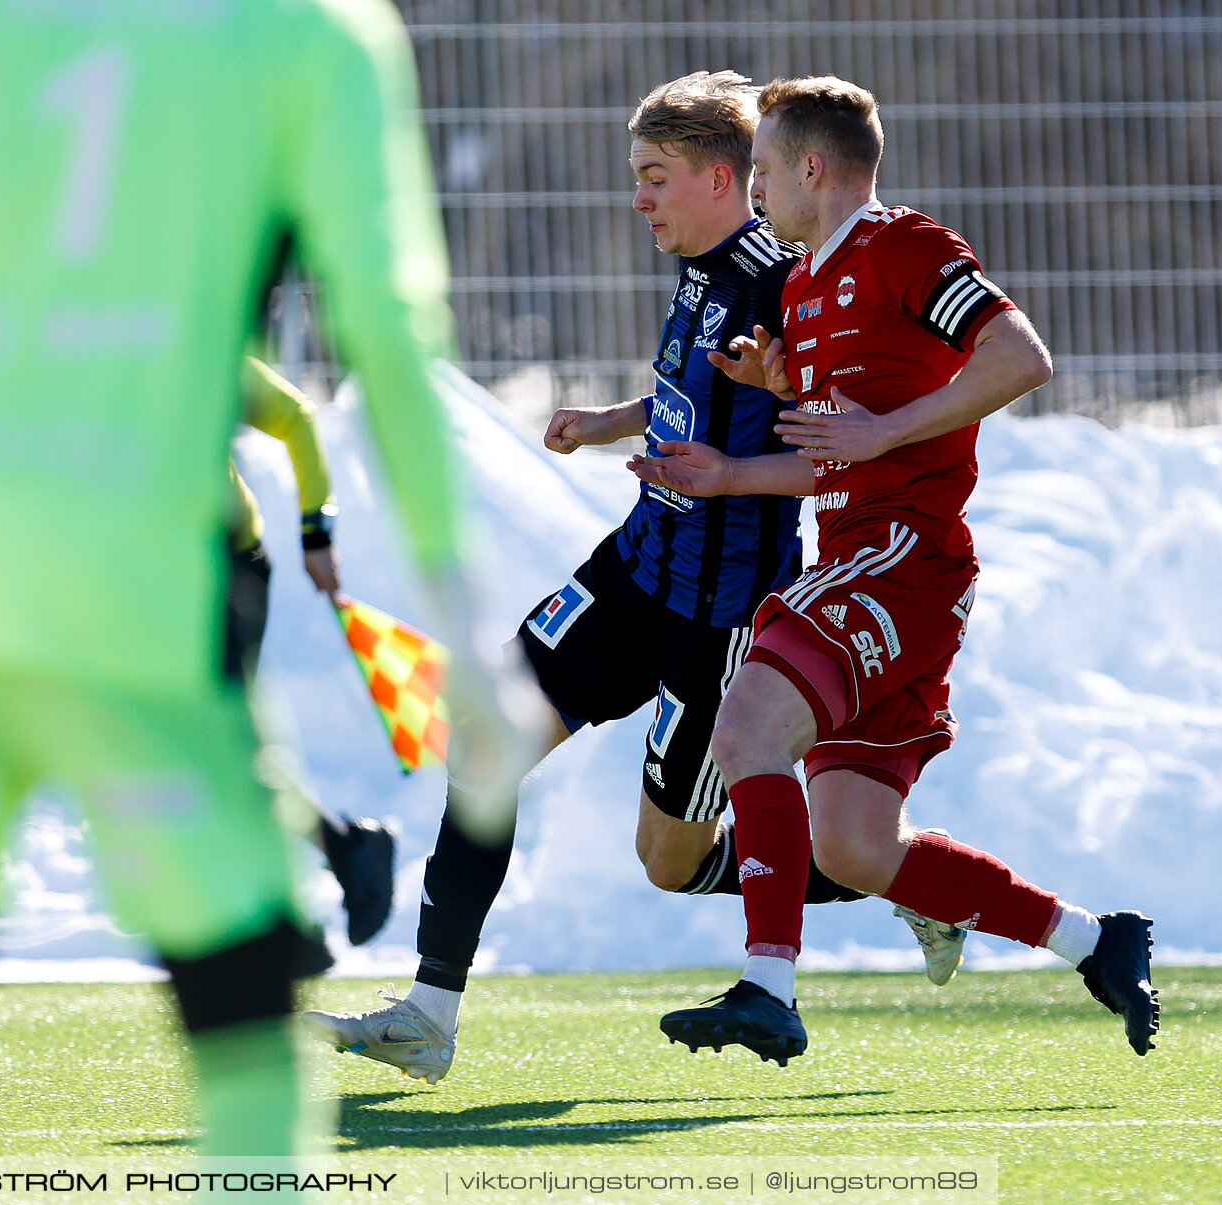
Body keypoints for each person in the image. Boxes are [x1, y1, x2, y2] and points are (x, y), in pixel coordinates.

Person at [0, 0, 527, 1195]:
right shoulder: (314, 35)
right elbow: (386, 330)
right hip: (126, 595)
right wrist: (460, 601)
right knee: (244, 1049)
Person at [301, 70, 954, 1086]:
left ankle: (889, 874)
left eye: (654, 177)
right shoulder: (700, 266)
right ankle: (428, 1013)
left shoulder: (785, 287)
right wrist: (609, 422)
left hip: (720, 616)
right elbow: (686, 391)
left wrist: (738, 473)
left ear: (722, 179)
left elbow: (834, 448)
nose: (637, 199)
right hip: (637, 569)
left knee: (672, 859)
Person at [627, 75, 1158, 1065]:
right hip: (866, 563)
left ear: (813, 170)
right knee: (858, 847)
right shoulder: (797, 286)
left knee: (746, 722)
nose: (758, 193)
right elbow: (835, 449)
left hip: (902, 555)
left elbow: (1022, 356)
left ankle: (768, 985)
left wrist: (884, 430)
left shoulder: (906, 247)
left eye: (768, 172)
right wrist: (740, 462)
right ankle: (1096, 939)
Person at [231, 355, 395, 948]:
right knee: (210, 749)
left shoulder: (182, 327)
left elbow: (295, 416)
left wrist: (315, 533)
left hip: (219, 569)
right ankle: (341, 854)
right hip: (138, 581)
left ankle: (280, 924)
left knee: (203, 748)